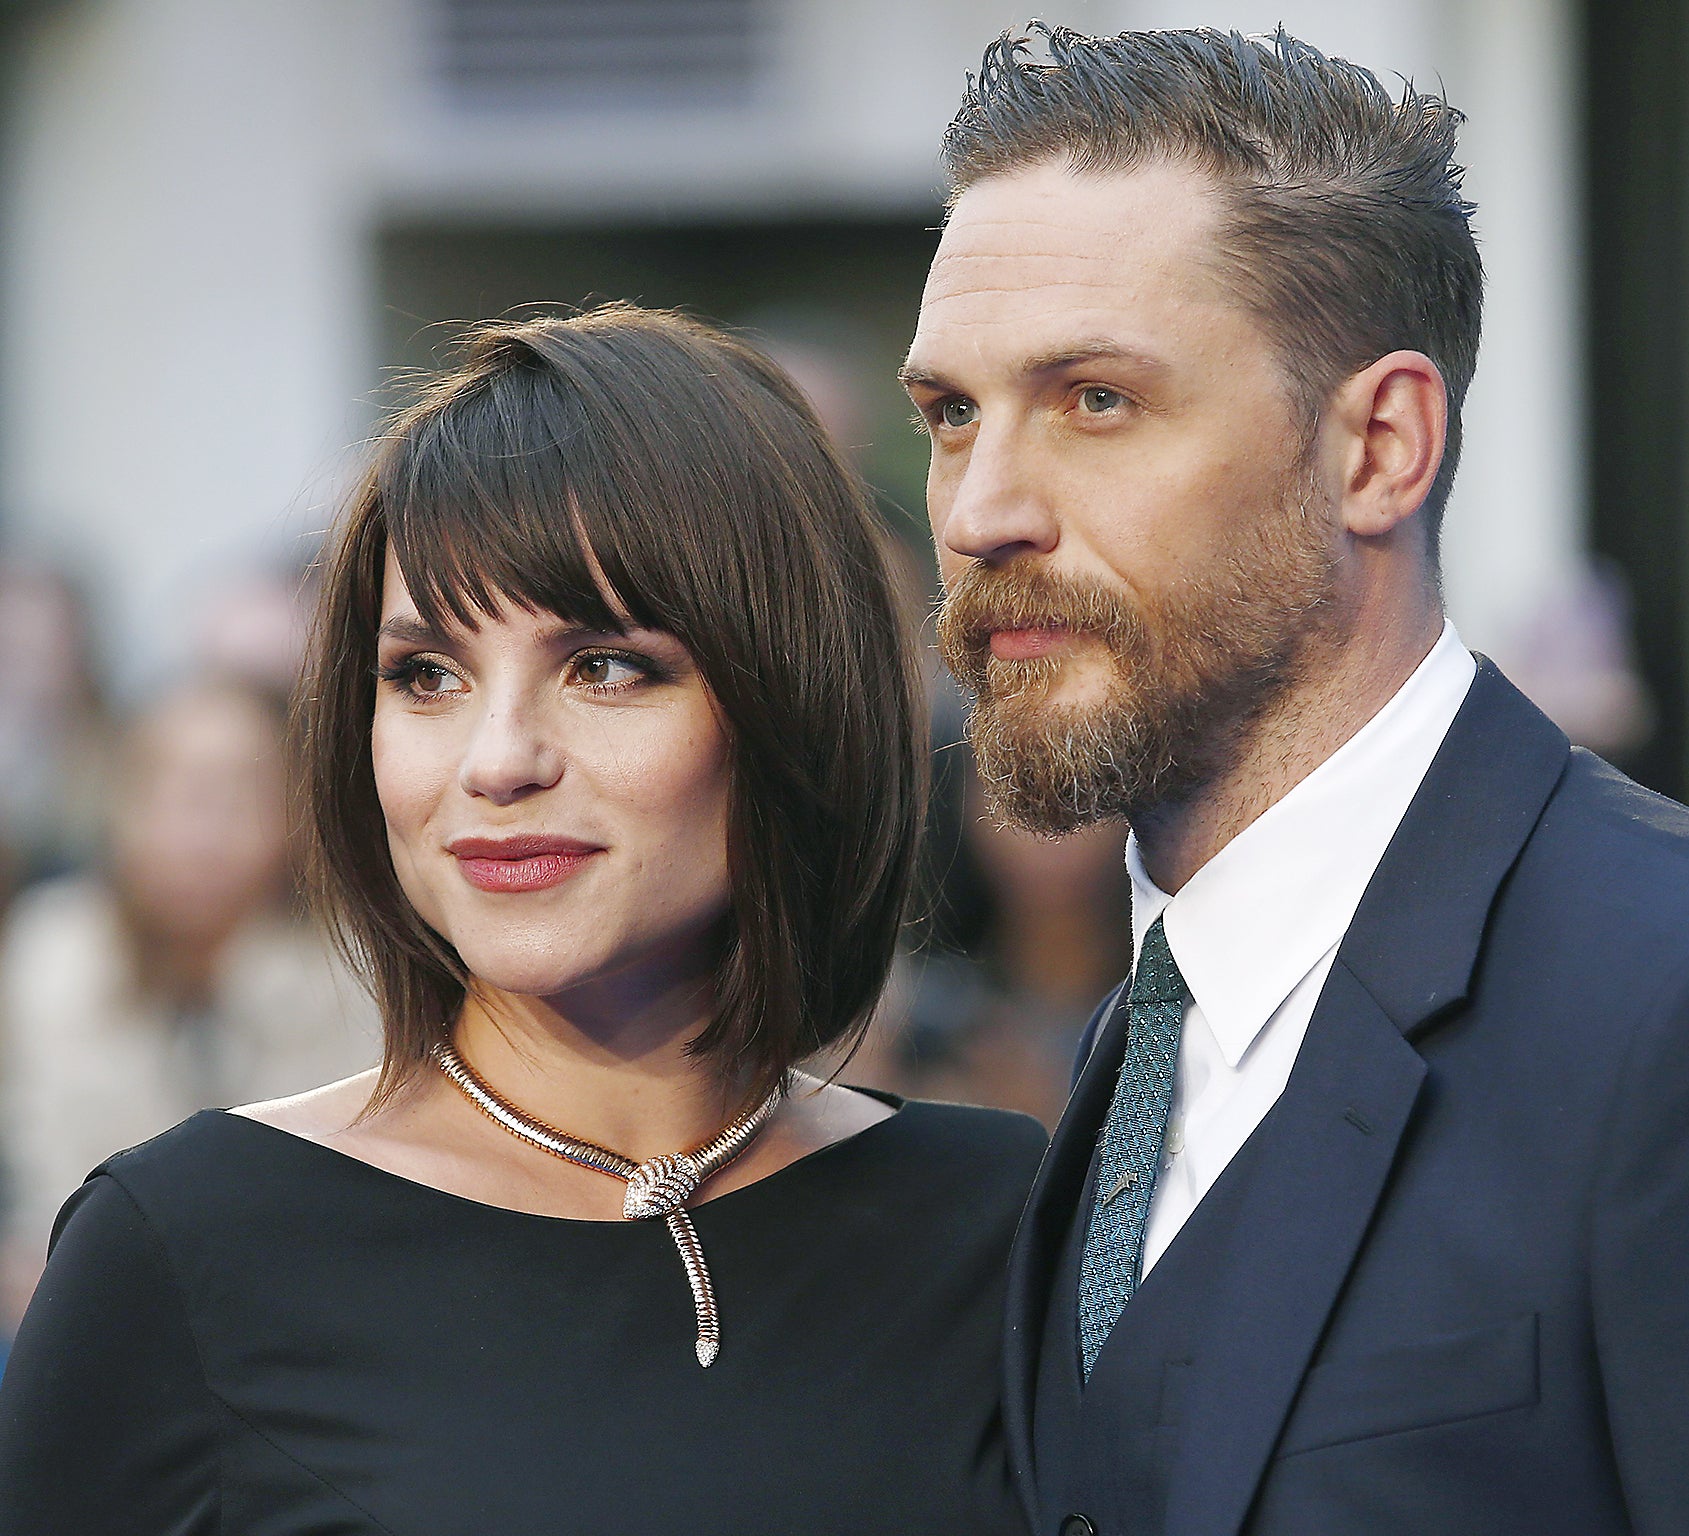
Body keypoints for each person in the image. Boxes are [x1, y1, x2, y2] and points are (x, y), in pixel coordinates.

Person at [900, 24, 1689, 1534]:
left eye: (1097, 400)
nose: (983, 509)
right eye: (950, 415)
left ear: (1380, 444)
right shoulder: (1151, 1030)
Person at [0, 305, 1043, 1533]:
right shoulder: (183, 1248)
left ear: (791, 704)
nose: (496, 763)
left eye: (604, 665)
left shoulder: (998, 1217)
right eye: (424, 676)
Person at [0, 676, 376, 1334]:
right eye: (169, 788)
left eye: (235, 793)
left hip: (295, 1311)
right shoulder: (52, 951)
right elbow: (46, 1187)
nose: (199, 827)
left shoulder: (353, 966)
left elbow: (325, 1196)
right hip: (89, 1300)